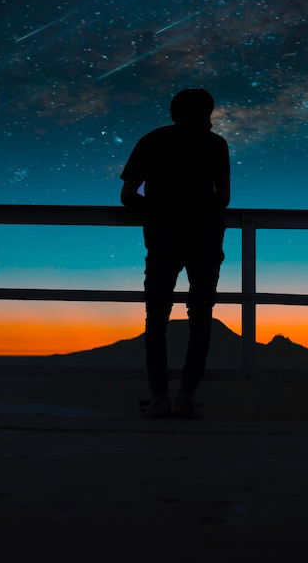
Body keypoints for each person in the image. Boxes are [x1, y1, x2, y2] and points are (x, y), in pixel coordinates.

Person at [120, 88, 230, 419]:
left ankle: (158, 398)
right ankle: (185, 397)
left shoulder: (151, 141)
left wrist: (159, 210)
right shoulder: (215, 145)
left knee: (156, 317)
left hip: (162, 238)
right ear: (207, 112)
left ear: (172, 112)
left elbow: (128, 196)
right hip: (206, 239)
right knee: (201, 317)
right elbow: (222, 198)